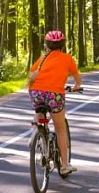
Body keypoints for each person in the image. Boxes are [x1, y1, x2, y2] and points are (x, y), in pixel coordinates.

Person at [27, 30, 83, 175]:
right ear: (62, 45)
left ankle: (36, 133)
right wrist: (76, 87)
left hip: (35, 92)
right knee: (60, 128)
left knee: (40, 112)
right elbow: (78, 80)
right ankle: (64, 164)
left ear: (46, 45)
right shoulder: (67, 58)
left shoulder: (42, 59)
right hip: (55, 94)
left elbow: (30, 76)